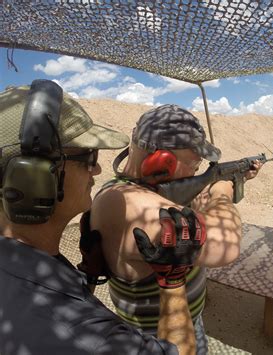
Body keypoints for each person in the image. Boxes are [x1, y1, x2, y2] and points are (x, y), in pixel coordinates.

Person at [0, 81, 198, 355]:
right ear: (31, 176)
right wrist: (173, 281)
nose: (98, 169)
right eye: (88, 157)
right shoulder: (88, 335)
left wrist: (84, 276)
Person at [88, 104, 262, 354]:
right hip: (158, 338)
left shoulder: (127, 189)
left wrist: (236, 179)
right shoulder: (131, 205)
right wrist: (222, 195)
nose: (196, 170)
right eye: (195, 162)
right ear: (162, 161)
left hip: (183, 321)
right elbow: (226, 246)